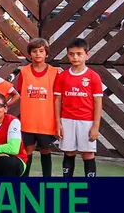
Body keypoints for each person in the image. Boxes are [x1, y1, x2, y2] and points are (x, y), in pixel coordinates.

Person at [55, 38, 103, 178]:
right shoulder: (62, 76)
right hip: (67, 120)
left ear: (86, 54)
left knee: (87, 153)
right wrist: (58, 122)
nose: (75, 57)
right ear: (68, 55)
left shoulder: (93, 77)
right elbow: (57, 100)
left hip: (86, 121)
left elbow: (98, 102)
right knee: (69, 152)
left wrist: (96, 125)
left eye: (79, 54)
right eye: (71, 54)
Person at [15, 37, 59, 177]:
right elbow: (20, 92)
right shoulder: (24, 72)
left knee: (45, 149)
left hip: (46, 121)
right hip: (28, 121)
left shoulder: (54, 72)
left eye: (41, 51)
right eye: (34, 51)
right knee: (28, 150)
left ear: (46, 53)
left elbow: (58, 97)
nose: (38, 54)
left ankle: (47, 179)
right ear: (30, 54)